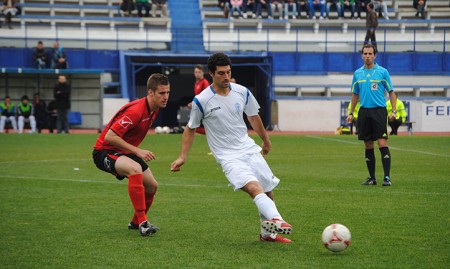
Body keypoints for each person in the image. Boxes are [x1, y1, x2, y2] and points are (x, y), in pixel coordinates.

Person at [171, 52, 293, 243]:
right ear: (211, 73)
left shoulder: (242, 92)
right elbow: (191, 128)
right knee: (254, 188)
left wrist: (266, 141)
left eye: (228, 72)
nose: (226, 77)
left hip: (248, 148)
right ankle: (277, 219)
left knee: (268, 190)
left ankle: (267, 235)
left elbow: (253, 116)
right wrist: (182, 157)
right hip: (228, 156)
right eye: (221, 73)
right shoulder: (201, 100)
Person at [92, 73, 170, 237]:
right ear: (150, 93)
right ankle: (143, 223)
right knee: (135, 168)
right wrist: (137, 150)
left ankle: (135, 222)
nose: (166, 97)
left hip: (122, 151)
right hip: (104, 151)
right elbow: (110, 137)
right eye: (161, 93)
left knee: (152, 185)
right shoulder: (135, 111)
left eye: (168, 92)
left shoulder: (153, 109)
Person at [346, 44, 396, 187]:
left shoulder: (383, 72)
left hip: (379, 111)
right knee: (368, 145)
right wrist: (351, 112)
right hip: (364, 112)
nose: (367, 56)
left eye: (370, 53)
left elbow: (391, 91)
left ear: (375, 55)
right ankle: (372, 178)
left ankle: (386, 177)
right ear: (362, 55)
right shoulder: (358, 73)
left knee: (382, 143)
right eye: (365, 53)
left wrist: (394, 110)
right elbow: (355, 94)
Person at [187, 64, 210, 135]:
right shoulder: (197, 83)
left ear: (203, 73)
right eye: (196, 72)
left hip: (204, 108)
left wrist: (195, 104)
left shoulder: (205, 82)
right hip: (199, 108)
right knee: (193, 127)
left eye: (199, 72)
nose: (197, 74)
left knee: (193, 128)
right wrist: (193, 103)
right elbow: (198, 96)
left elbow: (207, 97)